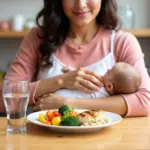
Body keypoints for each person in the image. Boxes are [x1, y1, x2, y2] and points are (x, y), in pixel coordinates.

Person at [0, 0, 150, 117]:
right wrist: (60, 81)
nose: (81, 4)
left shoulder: (122, 42)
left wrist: (69, 103)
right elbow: (3, 99)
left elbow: (145, 101)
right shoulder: (37, 38)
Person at [53, 62, 141, 98]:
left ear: (110, 86)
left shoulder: (100, 85)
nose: (107, 70)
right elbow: (81, 76)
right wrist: (72, 70)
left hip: (60, 100)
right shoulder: (104, 84)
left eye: (109, 72)